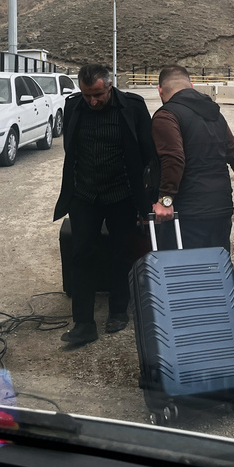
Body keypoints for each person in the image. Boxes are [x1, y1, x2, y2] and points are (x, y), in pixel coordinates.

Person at [53, 64, 157, 346]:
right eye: (87, 95)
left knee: (122, 252)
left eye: (98, 94)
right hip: (84, 195)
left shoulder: (132, 106)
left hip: (121, 195)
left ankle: (119, 310)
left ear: (110, 86)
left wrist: (149, 194)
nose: (92, 101)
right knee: (81, 255)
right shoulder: (73, 106)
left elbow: (148, 151)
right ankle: (83, 323)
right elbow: (71, 149)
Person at [151, 65, 234, 251]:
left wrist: (165, 200)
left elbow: (174, 158)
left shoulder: (167, 116)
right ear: (192, 86)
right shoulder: (214, 112)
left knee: (184, 265)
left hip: (188, 211)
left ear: (160, 90)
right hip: (220, 206)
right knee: (216, 262)